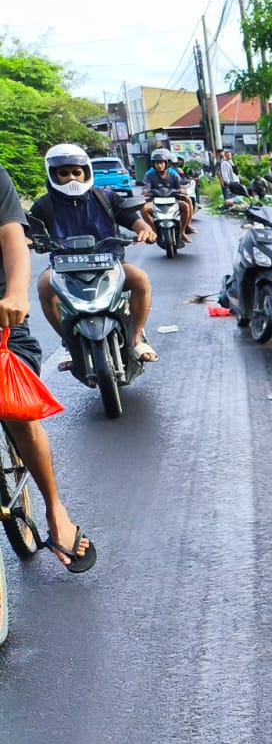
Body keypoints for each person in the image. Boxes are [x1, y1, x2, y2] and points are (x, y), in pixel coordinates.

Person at [0, 158, 109, 572]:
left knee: (16, 409)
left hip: (2, 320)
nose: (70, 178)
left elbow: (12, 236)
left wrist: (15, 293)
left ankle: (55, 510)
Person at [28, 145, 161, 369]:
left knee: (140, 279)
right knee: (43, 285)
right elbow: (31, 233)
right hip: (64, 267)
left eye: (76, 172)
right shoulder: (44, 205)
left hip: (109, 262)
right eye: (64, 173)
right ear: (53, 174)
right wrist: (28, 240)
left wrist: (144, 230)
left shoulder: (105, 197)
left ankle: (137, 338)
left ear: (86, 172)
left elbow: (132, 219)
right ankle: (69, 343)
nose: (71, 177)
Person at [140, 148, 195, 240]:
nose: (159, 166)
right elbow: (146, 186)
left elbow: (180, 185)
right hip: (155, 202)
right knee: (143, 209)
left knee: (186, 205)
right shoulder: (149, 175)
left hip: (173, 201)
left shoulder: (173, 174)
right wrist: (146, 191)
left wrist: (182, 190)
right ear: (153, 164)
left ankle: (183, 231)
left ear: (166, 163)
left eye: (161, 163)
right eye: (157, 163)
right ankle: (154, 230)